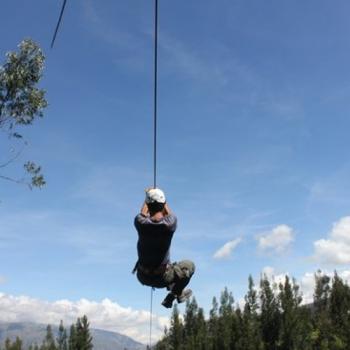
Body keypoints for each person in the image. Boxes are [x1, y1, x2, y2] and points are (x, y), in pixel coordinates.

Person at [133, 188, 195, 308]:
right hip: (162, 278)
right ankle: (173, 295)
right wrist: (162, 200)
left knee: (171, 267)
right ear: (163, 205)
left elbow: (143, 212)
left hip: (142, 276)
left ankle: (179, 293)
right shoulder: (170, 223)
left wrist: (148, 194)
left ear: (148, 205)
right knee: (188, 266)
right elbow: (169, 214)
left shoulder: (140, 222)